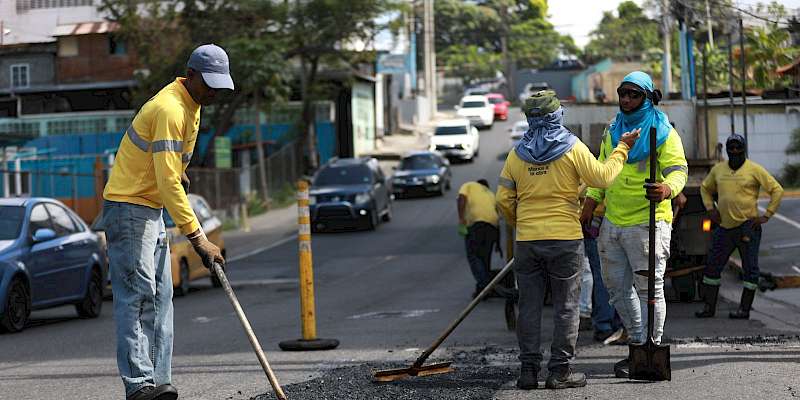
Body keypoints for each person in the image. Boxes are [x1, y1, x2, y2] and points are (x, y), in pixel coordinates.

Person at [102, 44, 232, 400]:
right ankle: (139, 384)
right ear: (190, 75)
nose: (213, 92)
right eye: (209, 84)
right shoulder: (169, 108)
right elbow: (167, 182)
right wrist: (198, 238)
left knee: (161, 297)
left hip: (151, 207)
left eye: (219, 86)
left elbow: (170, 167)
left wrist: (179, 170)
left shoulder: (193, 105)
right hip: (129, 207)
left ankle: (160, 382)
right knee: (137, 296)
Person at [496, 90, 639, 390]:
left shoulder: (516, 155)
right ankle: (560, 371)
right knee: (566, 306)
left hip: (527, 241)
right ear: (556, 116)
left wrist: (522, 225)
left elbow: (503, 201)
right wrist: (622, 149)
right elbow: (602, 178)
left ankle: (528, 372)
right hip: (565, 240)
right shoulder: (572, 148)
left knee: (530, 305)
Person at [581, 71, 688, 379]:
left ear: (646, 97)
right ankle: (638, 344)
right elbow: (602, 171)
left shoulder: (663, 131)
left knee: (649, 289)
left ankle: (653, 347)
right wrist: (590, 203)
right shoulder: (613, 129)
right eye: (622, 93)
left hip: (648, 222)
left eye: (633, 94)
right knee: (616, 289)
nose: (626, 99)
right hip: (613, 221)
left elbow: (678, 170)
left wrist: (667, 189)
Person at [696, 134, 783, 319]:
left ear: (744, 149)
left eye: (738, 148)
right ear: (727, 150)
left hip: (747, 227)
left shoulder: (754, 169)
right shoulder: (718, 170)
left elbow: (777, 190)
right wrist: (710, 209)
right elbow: (705, 188)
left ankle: (744, 310)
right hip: (724, 228)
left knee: (750, 269)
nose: (735, 151)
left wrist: (766, 215)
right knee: (712, 267)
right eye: (731, 148)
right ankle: (708, 308)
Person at [458, 179, 501, 298]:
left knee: (474, 256)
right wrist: (498, 243)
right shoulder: (490, 194)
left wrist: (461, 219)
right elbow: (496, 215)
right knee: (485, 258)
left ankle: (484, 286)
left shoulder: (468, 185)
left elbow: (461, 198)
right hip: (492, 228)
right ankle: (485, 287)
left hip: (476, 225)